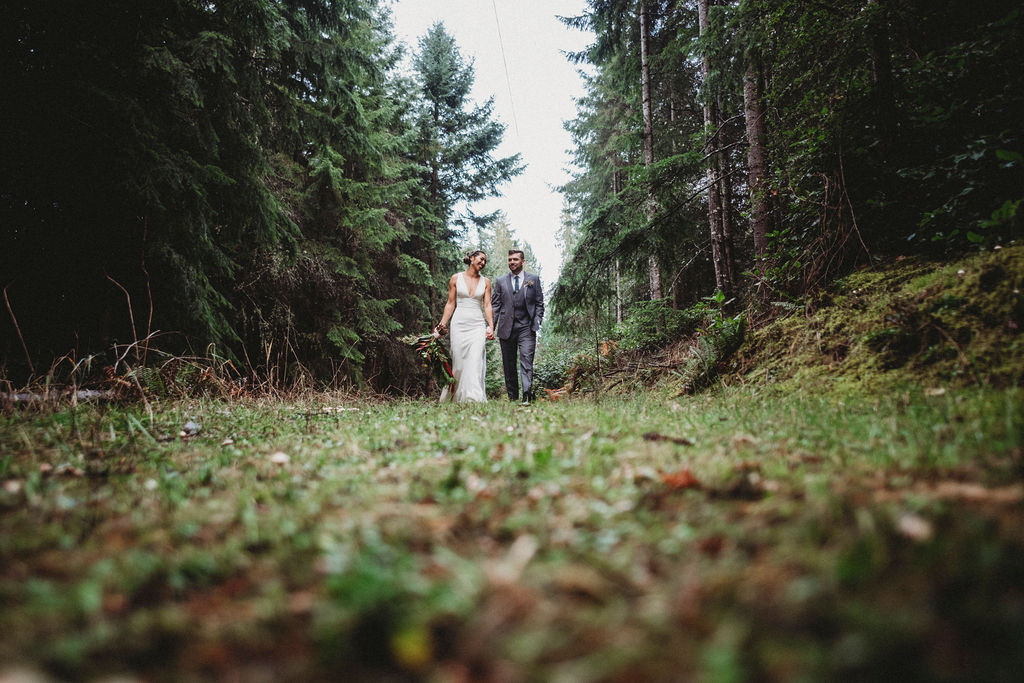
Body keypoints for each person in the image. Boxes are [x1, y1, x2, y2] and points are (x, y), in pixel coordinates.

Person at [436, 250, 495, 403]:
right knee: (459, 363)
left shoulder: (486, 282)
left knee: (475, 361)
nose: (483, 263)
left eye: (485, 261)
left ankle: (473, 398)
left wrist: (491, 326)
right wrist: (442, 324)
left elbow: (487, 305)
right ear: (471, 259)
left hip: (477, 324)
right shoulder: (456, 278)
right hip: (459, 324)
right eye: (481, 259)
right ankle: (455, 397)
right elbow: (450, 303)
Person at [492, 249, 544, 404]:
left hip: (526, 328)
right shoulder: (500, 281)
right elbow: (495, 305)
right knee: (509, 365)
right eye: (510, 260)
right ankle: (513, 398)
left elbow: (539, 303)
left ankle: (527, 395)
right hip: (506, 328)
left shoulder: (533, 279)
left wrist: (537, 320)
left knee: (526, 360)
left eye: (515, 259)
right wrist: (491, 326)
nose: (512, 262)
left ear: (523, 261)